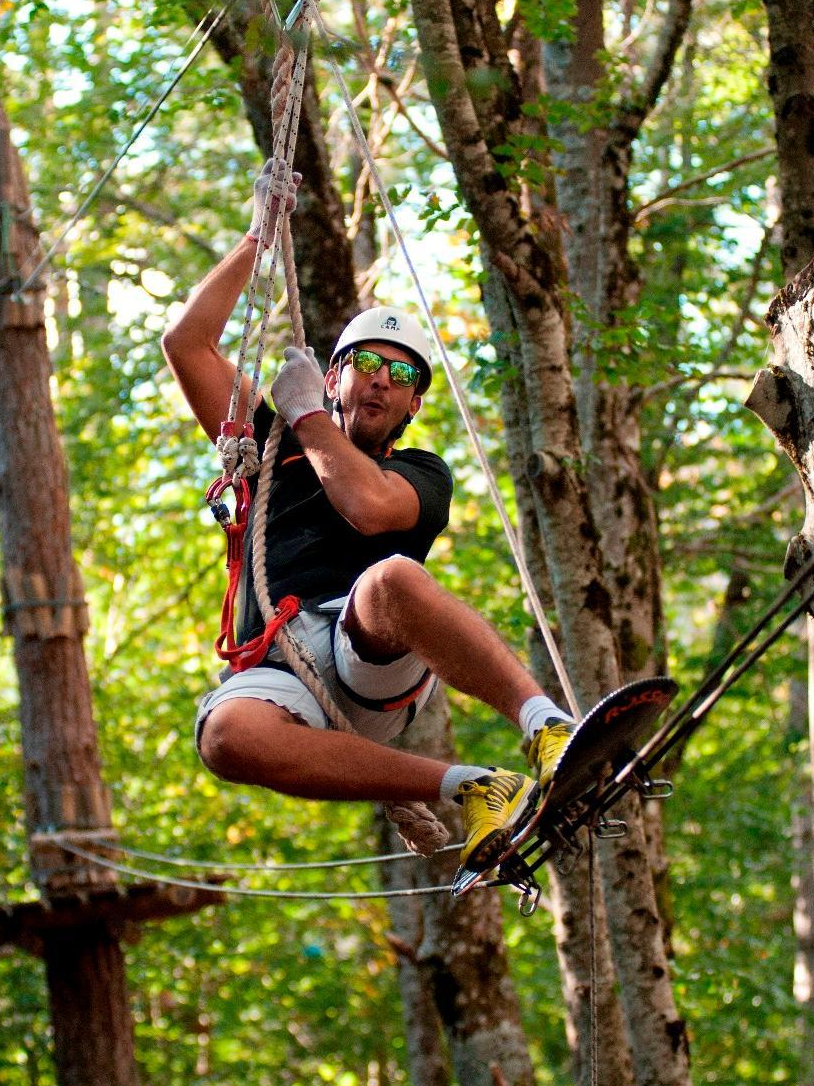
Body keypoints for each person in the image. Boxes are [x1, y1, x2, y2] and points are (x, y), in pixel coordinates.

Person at [162, 166, 574, 871]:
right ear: (334, 376)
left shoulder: (418, 474)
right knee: (227, 736)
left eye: (404, 375)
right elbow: (186, 345)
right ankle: (473, 785)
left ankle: (546, 728)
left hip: (368, 655)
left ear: (414, 406)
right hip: (280, 659)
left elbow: (366, 506)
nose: (383, 379)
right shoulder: (272, 445)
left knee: (390, 580)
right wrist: (260, 237)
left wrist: (308, 418)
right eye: (365, 364)